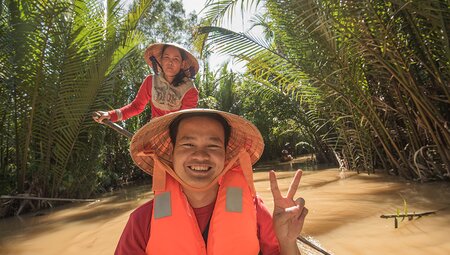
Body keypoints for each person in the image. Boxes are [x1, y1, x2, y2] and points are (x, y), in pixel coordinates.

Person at [115, 109, 308, 255]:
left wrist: (288, 242)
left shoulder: (256, 209)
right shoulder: (141, 221)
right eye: (188, 144)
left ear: (226, 157)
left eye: (213, 145)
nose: (200, 155)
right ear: (171, 155)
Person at [93, 43, 199, 124]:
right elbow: (136, 106)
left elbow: (185, 120)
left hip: (177, 136)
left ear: (182, 64)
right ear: (160, 60)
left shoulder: (189, 90)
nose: (170, 62)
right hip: (154, 133)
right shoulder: (151, 82)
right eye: (166, 57)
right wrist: (110, 115)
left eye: (176, 59)